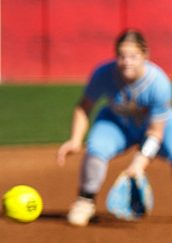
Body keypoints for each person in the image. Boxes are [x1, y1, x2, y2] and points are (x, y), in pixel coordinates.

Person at [57, 30, 172, 227]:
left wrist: (139, 164)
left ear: (145, 56)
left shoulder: (159, 84)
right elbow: (84, 106)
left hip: (156, 128)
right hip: (117, 124)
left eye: (133, 56)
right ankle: (85, 201)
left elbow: (155, 133)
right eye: (121, 56)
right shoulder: (104, 73)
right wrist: (76, 139)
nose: (126, 62)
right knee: (96, 148)